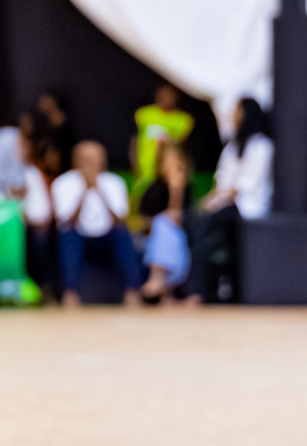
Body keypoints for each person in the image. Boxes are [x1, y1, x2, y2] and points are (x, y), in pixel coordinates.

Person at [189, 97, 271, 302]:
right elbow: (221, 182)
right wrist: (205, 203)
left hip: (247, 206)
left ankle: (197, 293)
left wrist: (215, 202)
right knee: (191, 219)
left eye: (237, 112)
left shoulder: (261, 145)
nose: (233, 117)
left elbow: (245, 186)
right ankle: (197, 288)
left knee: (204, 225)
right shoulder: (231, 146)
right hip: (224, 203)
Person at [51, 141, 142, 306]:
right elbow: (64, 221)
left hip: (107, 236)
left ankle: (132, 291)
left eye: (96, 159)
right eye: (87, 159)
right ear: (76, 160)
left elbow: (121, 219)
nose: (92, 164)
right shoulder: (64, 182)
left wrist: (99, 190)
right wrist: (84, 191)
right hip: (78, 236)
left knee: (123, 233)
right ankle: (70, 292)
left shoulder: (114, 182)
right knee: (68, 234)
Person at [0, 125, 54, 296]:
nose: (26, 149)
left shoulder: (30, 175)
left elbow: (43, 216)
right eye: (20, 144)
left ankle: (40, 286)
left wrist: (23, 209)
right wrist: (12, 207)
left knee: (39, 236)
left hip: (24, 239)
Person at [136, 141, 192, 303]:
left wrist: (176, 190)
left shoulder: (186, 190)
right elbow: (142, 224)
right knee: (162, 223)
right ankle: (163, 286)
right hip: (152, 239)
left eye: (177, 163)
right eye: (168, 161)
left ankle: (158, 281)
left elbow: (182, 220)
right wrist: (159, 221)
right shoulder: (152, 189)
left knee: (167, 224)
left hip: (179, 240)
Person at [132, 83, 194, 192]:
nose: (166, 98)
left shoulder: (184, 119)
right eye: (163, 94)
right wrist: (134, 163)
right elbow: (135, 141)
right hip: (146, 168)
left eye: (170, 95)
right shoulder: (144, 114)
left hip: (168, 169)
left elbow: (183, 144)